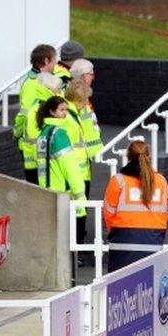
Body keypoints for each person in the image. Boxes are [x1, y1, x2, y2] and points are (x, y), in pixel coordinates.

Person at [103, 141, 168, 272]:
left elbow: (108, 212)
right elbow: (166, 211)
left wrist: (117, 232)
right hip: (153, 243)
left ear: (128, 156)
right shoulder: (161, 181)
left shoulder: (118, 180)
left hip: (122, 243)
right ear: (148, 156)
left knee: (119, 288)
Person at [34, 97, 87, 225]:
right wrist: (81, 197)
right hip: (62, 192)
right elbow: (70, 168)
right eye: (61, 110)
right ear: (52, 112)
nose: (65, 113)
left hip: (47, 189)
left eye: (66, 110)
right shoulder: (59, 134)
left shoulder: (44, 133)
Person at [15, 45, 58, 180]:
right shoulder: (33, 84)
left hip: (41, 143)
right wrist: (16, 133)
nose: (56, 62)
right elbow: (24, 114)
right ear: (46, 60)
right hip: (34, 146)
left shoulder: (40, 80)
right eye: (54, 59)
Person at [64, 81, 94, 246]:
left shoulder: (73, 113)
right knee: (77, 212)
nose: (88, 102)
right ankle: (76, 249)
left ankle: (78, 246)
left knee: (79, 211)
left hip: (80, 172)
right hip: (76, 174)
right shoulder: (69, 117)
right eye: (86, 99)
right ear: (80, 98)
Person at [21, 73, 64, 184]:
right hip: (39, 166)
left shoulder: (38, 106)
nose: (60, 93)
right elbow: (39, 140)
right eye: (58, 90)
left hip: (36, 164)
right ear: (49, 90)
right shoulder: (39, 109)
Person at [68, 60, 102, 159]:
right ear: (83, 76)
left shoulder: (83, 94)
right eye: (91, 74)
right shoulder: (76, 96)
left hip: (87, 151)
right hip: (80, 153)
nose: (93, 77)